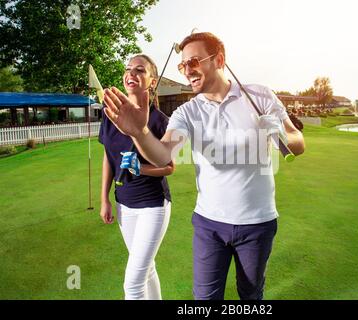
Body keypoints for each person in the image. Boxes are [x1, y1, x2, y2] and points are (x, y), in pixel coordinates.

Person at [103, 32, 305, 300]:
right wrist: (139, 133)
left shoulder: (260, 96)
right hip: (209, 224)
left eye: (194, 61)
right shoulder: (187, 112)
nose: (187, 70)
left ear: (219, 59)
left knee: (251, 295)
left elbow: (297, 142)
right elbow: (163, 155)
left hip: (258, 223)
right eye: (183, 65)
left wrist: (279, 130)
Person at [98, 54, 174, 300]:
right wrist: (105, 199)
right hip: (124, 204)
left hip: (152, 204)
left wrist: (141, 169)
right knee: (147, 269)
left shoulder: (160, 121)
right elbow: (108, 158)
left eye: (140, 70)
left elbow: (169, 166)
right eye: (128, 69)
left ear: (152, 82)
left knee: (132, 285)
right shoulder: (110, 114)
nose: (131, 73)